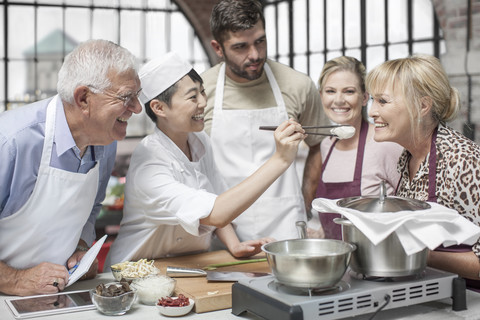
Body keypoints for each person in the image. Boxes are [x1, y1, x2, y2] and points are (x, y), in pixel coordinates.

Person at [106, 52, 305, 266]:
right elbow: (217, 213)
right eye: (193, 97)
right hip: (134, 272)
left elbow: (215, 195)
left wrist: (235, 245)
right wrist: (280, 160)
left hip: (185, 265)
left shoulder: (199, 140)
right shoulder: (149, 165)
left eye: (202, 91)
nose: (203, 102)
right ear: (159, 108)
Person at [0, 39, 142, 296]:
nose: (137, 108)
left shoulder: (105, 141)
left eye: (137, 96)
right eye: (126, 97)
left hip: (57, 294)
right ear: (84, 98)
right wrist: (16, 280)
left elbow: (90, 209)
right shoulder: (11, 142)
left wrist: (81, 246)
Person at [201, 0, 329, 242]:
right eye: (241, 47)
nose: (255, 55)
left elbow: (317, 144)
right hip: (224, 231)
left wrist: (305, 199)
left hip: (285, 225)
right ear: (218, 48)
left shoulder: (297, 85)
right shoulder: (200, 92)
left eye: (260, 41)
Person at [366, 54, 480, 290]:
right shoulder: (407, 157)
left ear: (422, 105)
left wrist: (415, 254)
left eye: (383, 101)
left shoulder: (462, 161)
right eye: (372, 100)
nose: (372, 111)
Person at [314, 56, 403, 239]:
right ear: (321, 96)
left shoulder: (385, 144)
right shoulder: (326, 145)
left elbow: (409, 209)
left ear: (364, 98)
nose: (338, 100)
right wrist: (319, 235)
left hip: (375, 260)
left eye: (348, 91)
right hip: (336, 261)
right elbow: (335, 219)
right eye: (330, 91)